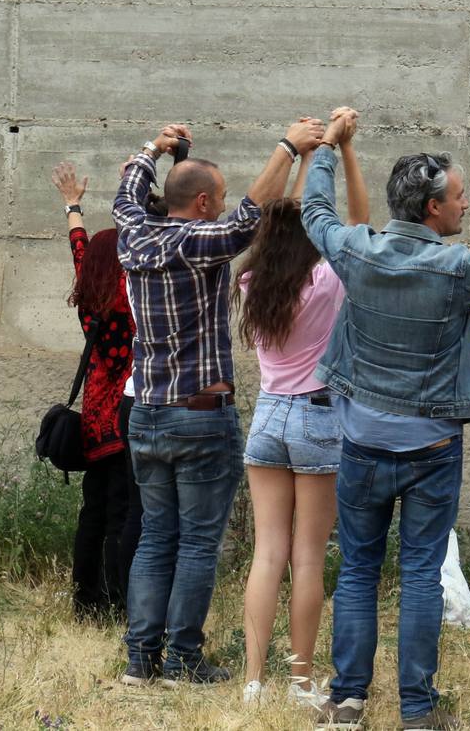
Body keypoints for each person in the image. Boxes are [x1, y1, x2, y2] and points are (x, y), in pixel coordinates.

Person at [302, 108, 470, 731]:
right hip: (433, 447)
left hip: (361, 441)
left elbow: (315, 212)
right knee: (419, 573)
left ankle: (347, 702)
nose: (466, 205)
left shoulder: (358, 253)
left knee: (359, 568)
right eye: (460, 197)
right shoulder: (456, 268)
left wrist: (330, 148)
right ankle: (416, 711)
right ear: (432, 210)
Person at [115, 118, 325, 687]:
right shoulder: (195, 242)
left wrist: (154, 150)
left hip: (147, 412)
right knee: (198, 543)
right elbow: (247, 220)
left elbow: (127, 192)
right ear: (203, 203)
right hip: (199, 413)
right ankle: (183, 660)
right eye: (220, 196)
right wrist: (287, 147)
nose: (227, 203)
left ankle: (140, 661)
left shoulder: (134, 232)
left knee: (157, 536)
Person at [235, 112, 369, 707]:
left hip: (267, 416)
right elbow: (360, 226)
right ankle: (300, 679)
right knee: (308, 557)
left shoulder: (253, 283)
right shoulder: (327, 279)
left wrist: (306, 152)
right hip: (319, 418)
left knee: (269, 552)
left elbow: (283, 219)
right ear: (315, 234)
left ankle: (253, 680)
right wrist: (342, 151)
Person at [51, 162, 140, 623]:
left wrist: (73, 206)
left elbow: (81, 251)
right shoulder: (129, 300)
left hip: (93, 421)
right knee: (123, 515)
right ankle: (119, 602)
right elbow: (119, 248)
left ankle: (87, 601)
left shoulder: (91, 300)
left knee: (94, 511)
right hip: (126, 420)